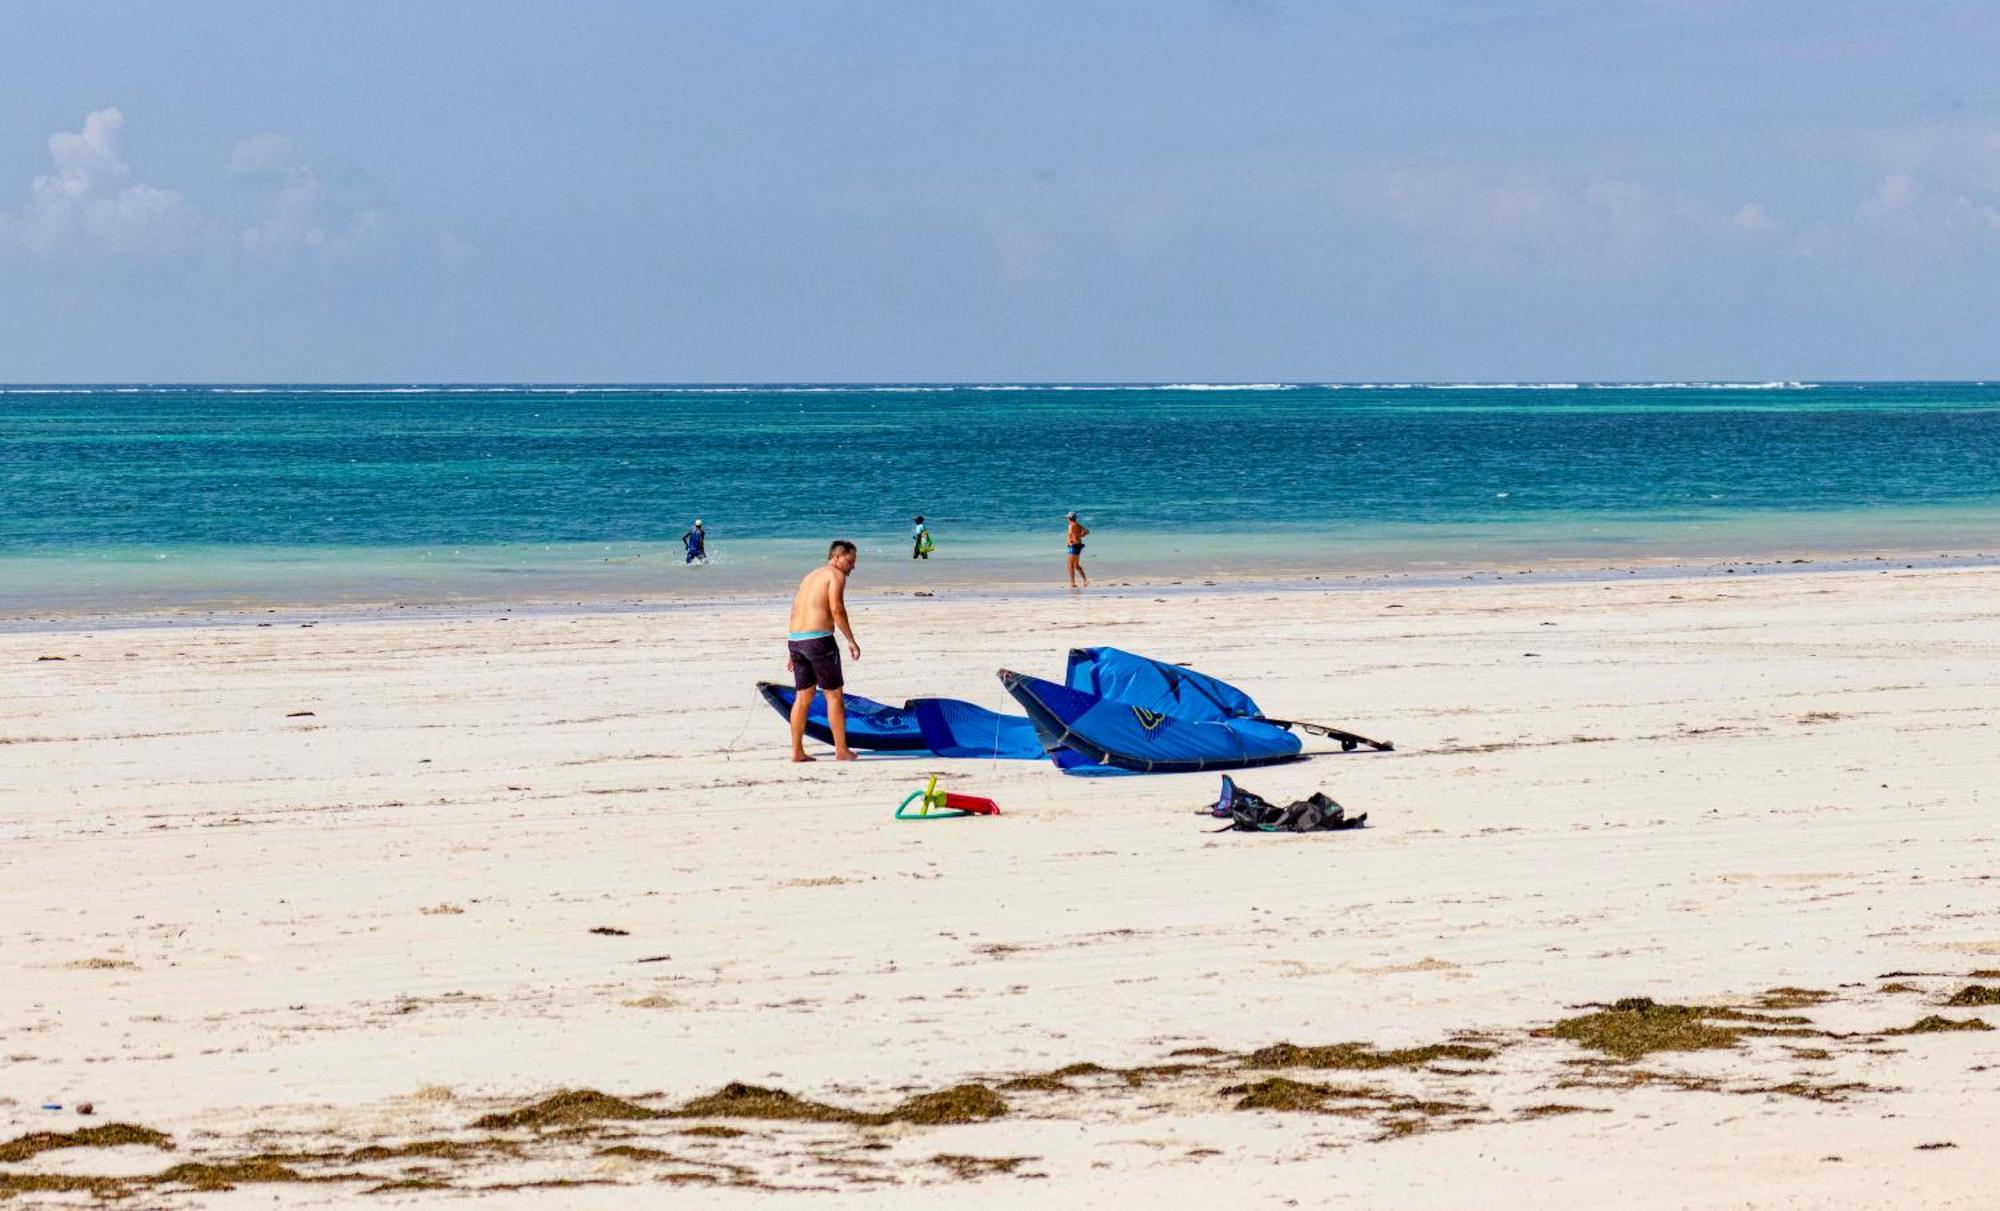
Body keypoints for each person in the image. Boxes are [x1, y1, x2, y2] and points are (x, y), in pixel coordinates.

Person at [786, 540, 862, 762]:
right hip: (819, 641)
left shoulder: (810, 576)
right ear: (837, 557)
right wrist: (851, 640)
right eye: (850, 561)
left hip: (796, 640)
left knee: (803, 698)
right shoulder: (835, 576)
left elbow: (795, 612)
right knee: (834, 695)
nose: (853, 566)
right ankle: (841, 750)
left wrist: (793, 650)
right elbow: (837, 610)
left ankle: (797, 752)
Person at [1065, 511, 1089, 589]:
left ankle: (1072, 583)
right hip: (1078, 545)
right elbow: (1086, 531)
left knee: (1070, 565)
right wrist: (1080, 536)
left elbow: (1071, 534)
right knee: (1076, 565)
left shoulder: (1071, 525)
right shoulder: (1078, 525)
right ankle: (1085, 580)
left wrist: (1071, 541)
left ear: (1069, 518)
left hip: (1074, 546)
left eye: (1068, 517)